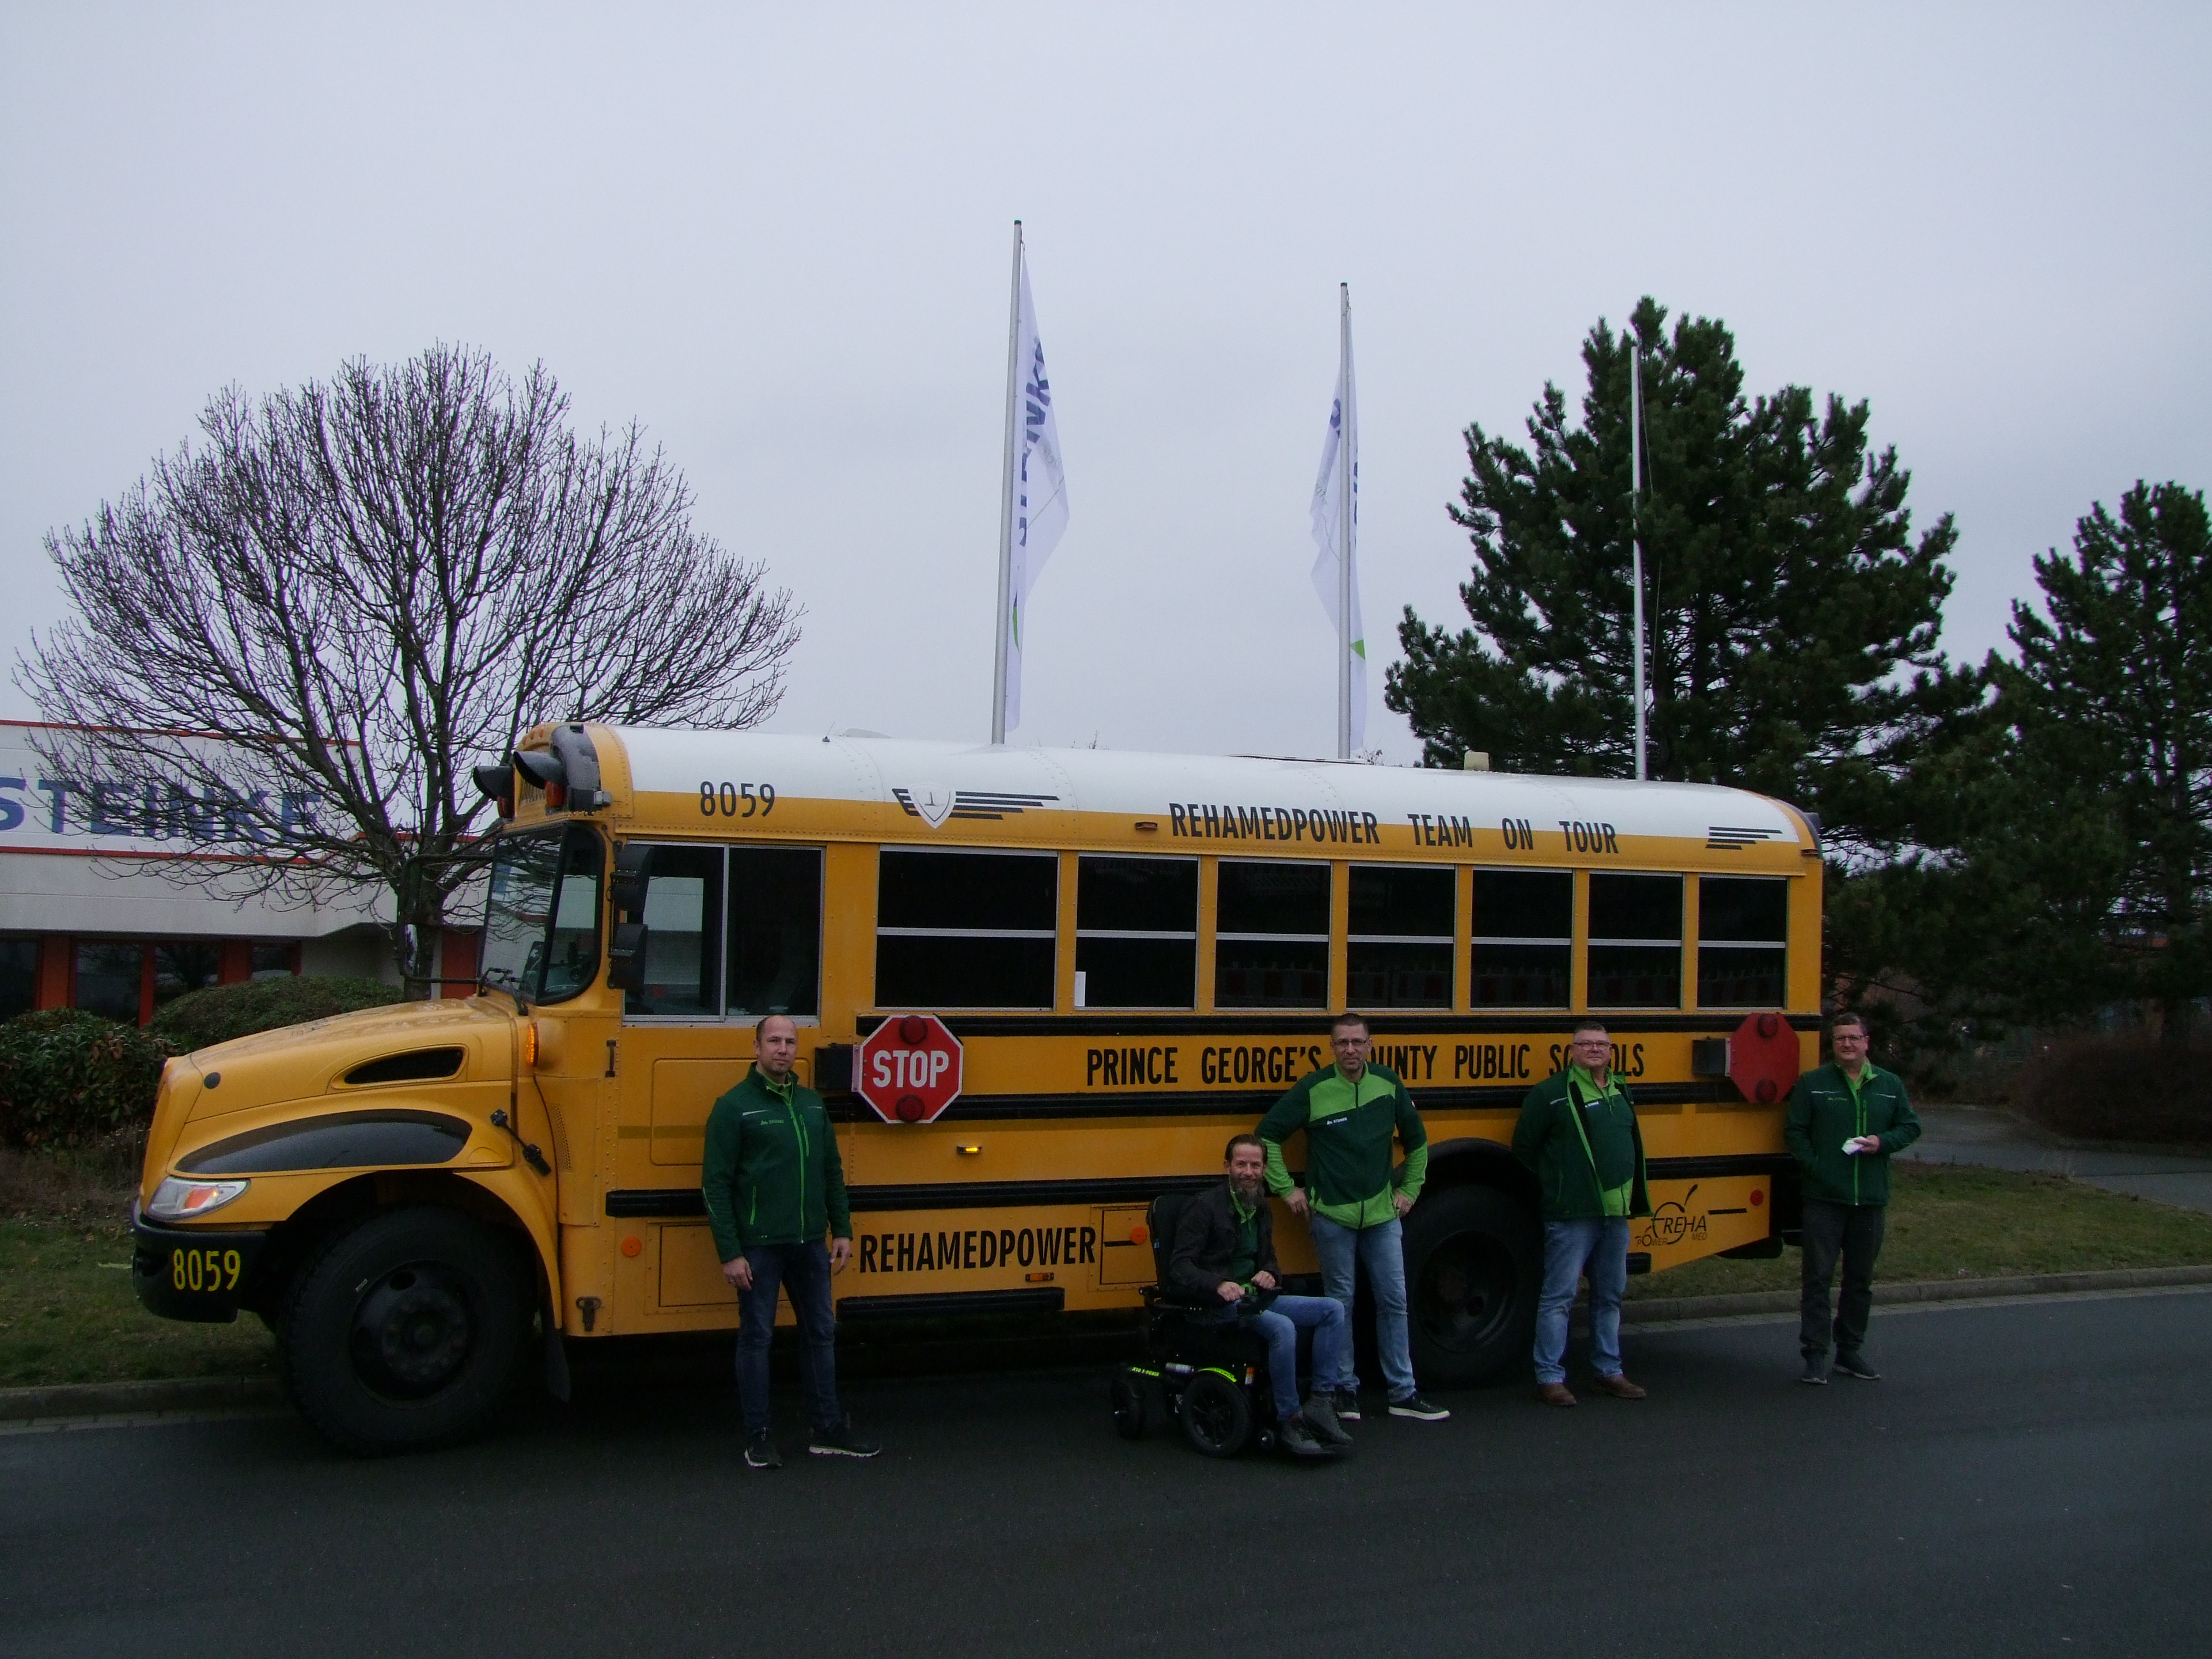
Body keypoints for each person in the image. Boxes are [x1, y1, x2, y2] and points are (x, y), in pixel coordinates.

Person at [703, 1013, 878, 1467]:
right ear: (756, 1048)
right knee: (757, 1338)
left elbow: (831, 1172)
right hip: (759, 1246)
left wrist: (841, 1229)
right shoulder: (734, 1107)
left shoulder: (811, 1105)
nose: (783, 1049)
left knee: (821, 1333)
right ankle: (758, 1436)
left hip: (808, 1243)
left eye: (790, 1041)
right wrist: (731, 1252)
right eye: (774, 1041)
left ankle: (828, 1428)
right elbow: (716, 1185)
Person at [1258, 1012, 1450, 1422]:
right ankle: (1345, 1389)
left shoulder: (1389, 1083)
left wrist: (1409, 1191)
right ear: (1331, 1048)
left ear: (1370, 1045)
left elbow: (1417, 1143)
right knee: (1340, 1304)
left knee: (1394, 1301)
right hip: (1332, 1216)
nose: (1350, 1050)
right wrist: (1285, 1188)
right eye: (1342, 1043)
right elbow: (1268, 1134)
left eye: (1357, 1042)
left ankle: (1403, 1391)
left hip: (1382, 1215)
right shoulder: (1314, 1088)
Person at [1169, 1134, 1355, 1458]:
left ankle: (1321, 1403)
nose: (1249, 1172)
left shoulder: (1261, 1207)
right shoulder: (1203, 1207)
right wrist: (1217, 1284)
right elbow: (1180, 1266)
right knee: (1282, 1328)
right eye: (1241, 1164)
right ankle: (1290, 1418)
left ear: (1265, 1169)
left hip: (1257, 1299)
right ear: (1227, 1166)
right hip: (1218, 1305)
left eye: (1256, 1165)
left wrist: (1271, 1273)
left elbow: (1269, 1260)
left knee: (1333, 1309)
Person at [1512, 1020, 1652, 1407]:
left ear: (1611, 1051)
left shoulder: (1621, 1090)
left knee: (1610, 1295)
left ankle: (1609, 1370)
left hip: (1615, 1214)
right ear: (1570, 1051)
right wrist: (1556, 1186)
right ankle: (1550, 1376)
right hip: (1572, 1213)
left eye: (1601, 1044)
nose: (1594, 1050)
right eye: (1586, 1044)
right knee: (1559, 1295)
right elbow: (1524, 1147)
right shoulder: (1552, 1094)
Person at [1785, 1011, 1922, 1384]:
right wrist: (1816, 1168)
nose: (1847, 1044)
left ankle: (1850, 1351)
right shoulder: (1813, 1084)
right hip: (1824, 1200)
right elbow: (1795, 1132)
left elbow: (1910, 1126)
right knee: (1817, 1279)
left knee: (1859, 1281)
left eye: (1854, 1038)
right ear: (1833, 1044)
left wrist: (1883, 1142)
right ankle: (1815, 1354)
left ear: (1867, 1043)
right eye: (1840, 1038)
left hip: (1870, 1200)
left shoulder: (1889, 1085)